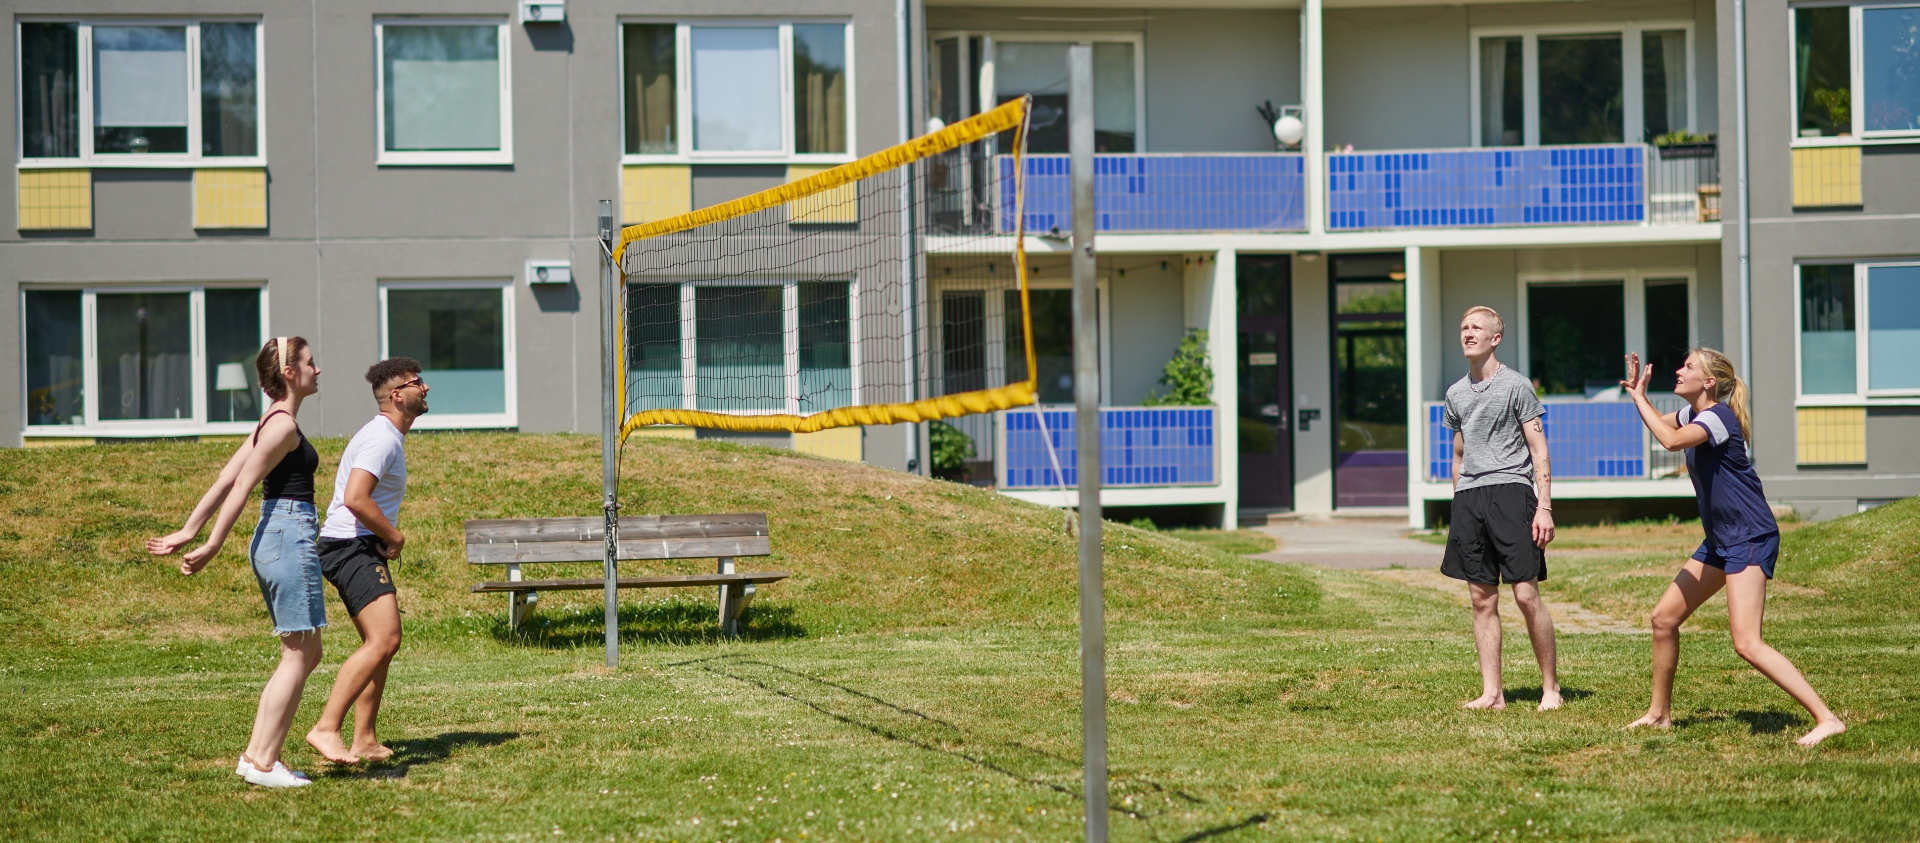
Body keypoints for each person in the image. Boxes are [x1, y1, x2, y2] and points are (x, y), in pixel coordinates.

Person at [1619, 348, 1845, 746]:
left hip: (1749, 535)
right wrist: (1640, 396)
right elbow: (1663, 425)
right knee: (1664, 618)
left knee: (1747, 643)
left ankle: (1827, 718)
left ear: (1709, 382)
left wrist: (1640, 398)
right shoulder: (1695, 415)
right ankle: (1658, 715)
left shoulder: (1718, 417)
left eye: (1688, 366)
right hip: (1721, 539)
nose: (1678, 369)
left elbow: (1670, 441)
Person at [149, 337, 325, 788]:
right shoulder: (281, 426)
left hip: (280, 535)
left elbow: (225, 479)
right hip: (288, 534)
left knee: (304, 651)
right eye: (309, 362)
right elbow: (242, 484)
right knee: (298, 652)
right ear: (289, 373)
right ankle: (263, 763)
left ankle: (257, 757)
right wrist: (209, 543)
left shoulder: (270, 421)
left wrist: (189, 530)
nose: (317, 369)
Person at [303, 358, 429, 764]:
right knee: (385, 639)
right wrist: (395, 536)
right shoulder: (383, 438)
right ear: (397, 395)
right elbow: (357, 498)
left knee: (380, 644)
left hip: (354, 544)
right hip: (349, 545)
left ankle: (365, 740)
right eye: (417, 382)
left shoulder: (386, 435)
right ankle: (326, 728)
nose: (425, 388)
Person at [1440, 306, 1562, 712]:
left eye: (1476, 327)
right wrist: (1459, 501)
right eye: (1463, 327)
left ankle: (1551, 689)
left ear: (1496, 338)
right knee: (1481, 599)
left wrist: (1543, 506)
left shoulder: (1517, 386)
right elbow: (1457, 456)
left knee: (1526, 595)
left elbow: (1538, 448)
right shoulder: (1455, 393)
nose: (1468, 332)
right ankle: (1493, 694)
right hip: (1470, 499)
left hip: (1512, 492)